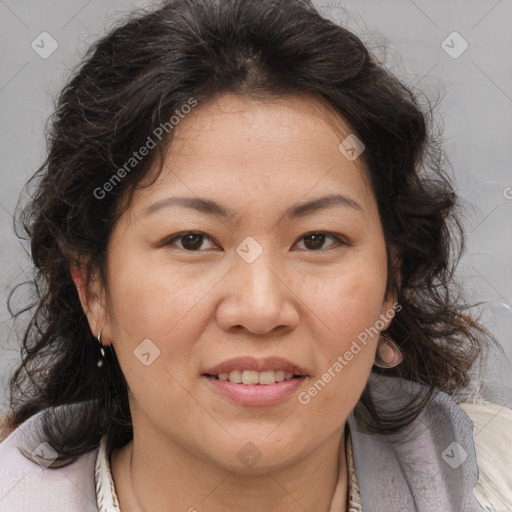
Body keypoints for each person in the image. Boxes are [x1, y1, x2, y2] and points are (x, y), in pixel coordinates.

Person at [0, 0, 511, 511]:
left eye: (317, 240)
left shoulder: (493, 481)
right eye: (192, 240)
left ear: (391, 284)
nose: (261, 310)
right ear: (94, 290)